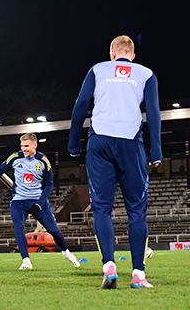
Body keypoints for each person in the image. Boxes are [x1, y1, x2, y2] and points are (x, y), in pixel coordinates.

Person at [67, 35, 161, 289]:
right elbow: (152, 111)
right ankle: (139, 275)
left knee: (102, 208)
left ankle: (109, 266)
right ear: (132, 55)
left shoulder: (98, 69)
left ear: (112, 53)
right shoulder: (145, 73)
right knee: (137, 210)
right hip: (131, 143)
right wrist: (157, 150)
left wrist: (73, 142)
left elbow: (81, 105)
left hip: (100, 142)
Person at [0, 133, 80, 270]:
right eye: (22, 146)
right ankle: (26, 261)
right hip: (19, 201)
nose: (23, 149)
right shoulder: (15, 158)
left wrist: (39, 203)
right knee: (18, 227)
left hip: (38, 201)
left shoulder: (43, 161)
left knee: (53, 231)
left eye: (26, 146)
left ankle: (67, 253)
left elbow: (49, 185)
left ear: (35, 145)